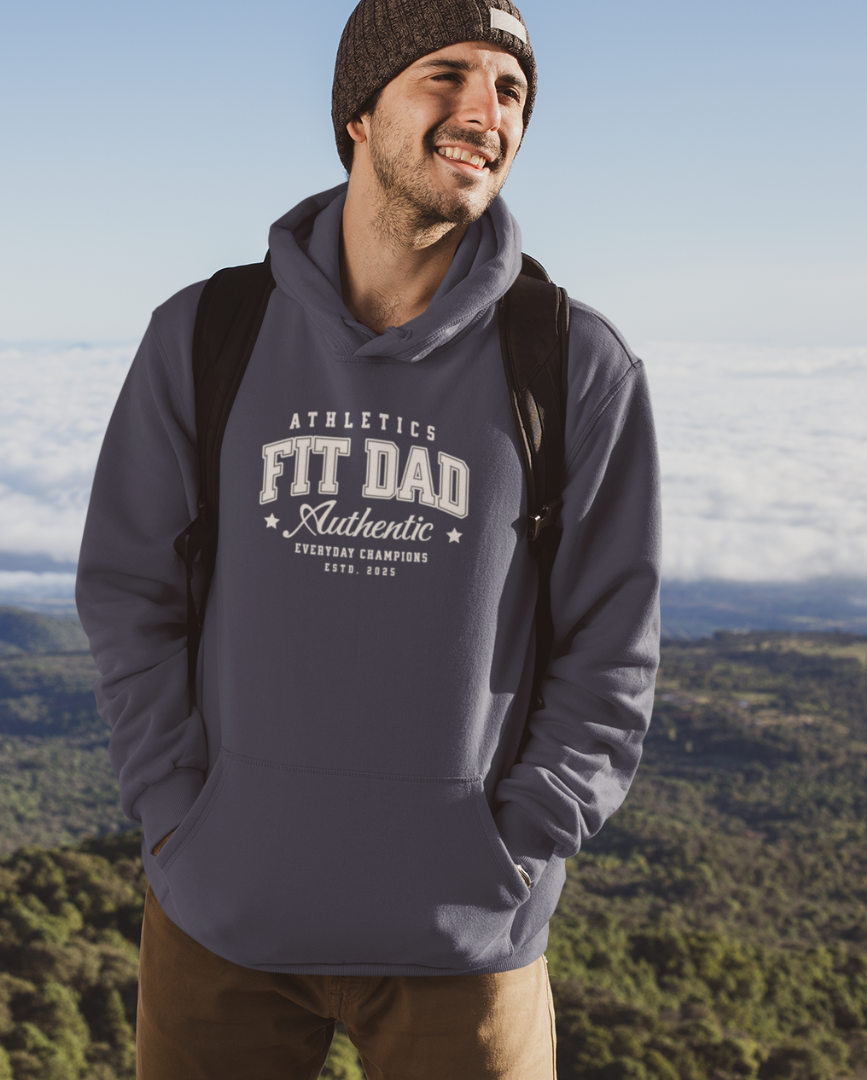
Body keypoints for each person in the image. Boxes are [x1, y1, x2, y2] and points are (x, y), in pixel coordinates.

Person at [76, 0, 661, 1076]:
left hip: (468, 941)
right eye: (447, 74)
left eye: (512, 90)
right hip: (222, 923)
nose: (487, 110)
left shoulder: (573, 363)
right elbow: (128, 590)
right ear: (359, 111)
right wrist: (175, 814)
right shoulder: (207, 334)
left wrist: (522, 845)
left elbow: (611, 646)